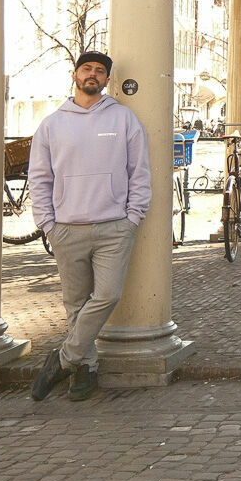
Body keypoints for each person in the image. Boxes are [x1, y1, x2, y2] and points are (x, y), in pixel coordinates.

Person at [27, 50, 151, 403]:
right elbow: (39, 177)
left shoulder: (124, 119)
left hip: (115, 227)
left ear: (107, 80)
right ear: (75, 75)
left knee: (108, 294)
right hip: (66, 228)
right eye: (87, 69)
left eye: (99, 71)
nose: (92, 75)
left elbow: (138, 172)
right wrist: (47, 223)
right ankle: (85, 369)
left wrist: (132, 217)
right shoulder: (52, 124)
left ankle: (62, 360)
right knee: (76, 304)